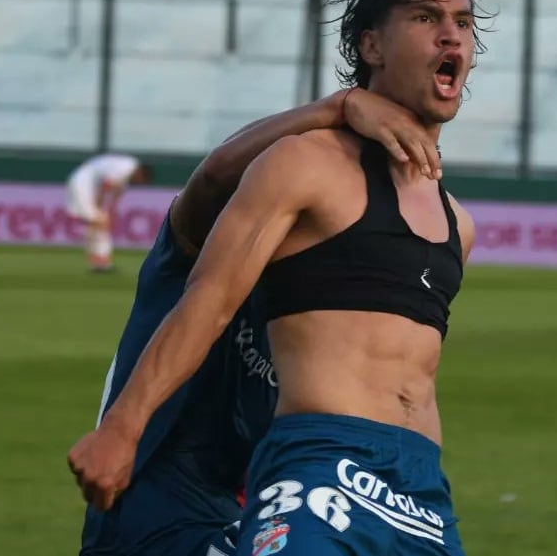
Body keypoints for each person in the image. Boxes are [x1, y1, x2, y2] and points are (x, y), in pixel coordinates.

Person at [67, 0, 482, 554]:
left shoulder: (456, 224)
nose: (451, 36)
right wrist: (335, 108)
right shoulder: (299, 166)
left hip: (412, 489)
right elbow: (206, 257)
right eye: (426, 18)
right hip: (217, 479)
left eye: (464, 23)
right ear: (371, 45)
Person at [79, 86, 439, 556]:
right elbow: (212, 179)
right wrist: (334, 108)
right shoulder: (198, 254)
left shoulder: (321, 309)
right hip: (147, 495)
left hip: (239, 507)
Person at [66, 154, 154, 272]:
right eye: (141, 180)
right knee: (98, 220)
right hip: (84, 181)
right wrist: (100, 205)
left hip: (90, 182)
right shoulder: (126, 168)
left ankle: (98, 260)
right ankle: (100, 260)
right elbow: (105, 186)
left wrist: (111, 212)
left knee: (99, 221)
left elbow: (116, 193)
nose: (139, 182)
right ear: (141, 173)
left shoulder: (128, 173)